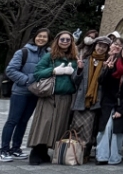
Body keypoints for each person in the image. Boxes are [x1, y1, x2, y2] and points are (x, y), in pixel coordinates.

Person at [27, 30, 79, 165]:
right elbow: (37, 73)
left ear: (72, 42)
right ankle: (36, 152)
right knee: (44, 124)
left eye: (68, 40)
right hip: (49, 95)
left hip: (66, 96)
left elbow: (78, 78)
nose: (65, 42)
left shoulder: (74, 58)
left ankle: (45, 152)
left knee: (58, 125)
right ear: (57, 40)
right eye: (62, 39)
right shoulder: (50, 56)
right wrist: (54, 71)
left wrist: (78, 70)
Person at [0, 28, 51, 163]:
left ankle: (16, 149)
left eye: (45, 37)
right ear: (34, 37)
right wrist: (27, 80)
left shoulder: (48, 53)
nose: (42, 39)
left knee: (23, 122)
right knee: (12, 120)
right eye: (39, 36)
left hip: (35, 94)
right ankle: (4, 150)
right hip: (20, 92)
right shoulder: (23, 52)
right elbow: (10, 70)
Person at [95, 41, 123, 165]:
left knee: (117, 131)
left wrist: (122, 110)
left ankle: (114, 157)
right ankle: (101, 156)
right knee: (104, 128)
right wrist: (108, 70)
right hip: (108, 102)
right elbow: (101, 81)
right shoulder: (114, 63)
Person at [69, 36, 112, 162]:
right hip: (81, 99)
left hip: (95, 101)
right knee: (76, 127)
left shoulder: (107, 62)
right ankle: (74, 152)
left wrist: (106, 69)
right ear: (95, 46)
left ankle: (85, 152)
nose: (101, 48)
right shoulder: (86, 59)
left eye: (104, 47)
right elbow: (75, 81)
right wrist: (80, 69)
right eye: (99, 45)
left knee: (89, 129)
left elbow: (106, 83)